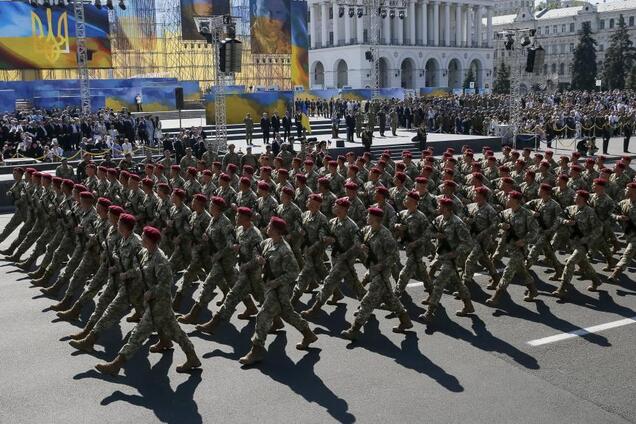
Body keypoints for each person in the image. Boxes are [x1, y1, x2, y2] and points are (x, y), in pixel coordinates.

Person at [94, 226, 201, 375]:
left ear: (150, 240)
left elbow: (166, 284)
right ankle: (192, 356)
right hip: (153, 301)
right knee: (175, 331)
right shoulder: (145, 253)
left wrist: (152, 292)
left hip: (159, 302)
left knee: (138, 333)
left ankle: (116, 364)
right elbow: (141, 271)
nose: (141, 238)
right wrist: (128, 274)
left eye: (143, 236)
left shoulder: (161, 260)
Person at [239, 217, 318, 366]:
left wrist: (276, 282)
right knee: (286, 313)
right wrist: (258, 257)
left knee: (263, 315)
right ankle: (308, 334)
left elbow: (294, 272)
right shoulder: (268, 242)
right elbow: (257, 247)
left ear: (276, 230)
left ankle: (256, 351)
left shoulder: (284, 250)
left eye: (270, 226)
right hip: (270, 285)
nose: (267, 227)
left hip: (282, 288)